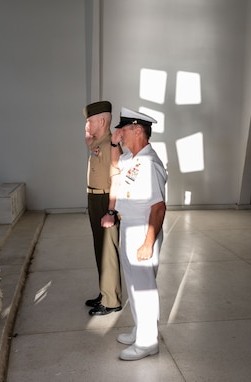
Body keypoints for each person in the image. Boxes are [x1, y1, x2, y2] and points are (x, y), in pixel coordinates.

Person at [102, 107, 167, 361]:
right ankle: (141, 328)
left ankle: (148, 341)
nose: (120, 133)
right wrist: (114, 141)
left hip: (143, 228)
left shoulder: (149, 163)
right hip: (129, 226)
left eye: (124, 128)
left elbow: (158, 207)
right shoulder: (135, 157)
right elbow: (116, 164)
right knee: (133, 284)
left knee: (144, 287)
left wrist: (148, 243)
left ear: (138, 129)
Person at [83, 101, 123, 316]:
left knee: (108, 251)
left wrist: (110, 211)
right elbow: (89, 141)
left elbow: (116, 180)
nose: (86, 125)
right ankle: (104, 292)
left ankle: (112, 300)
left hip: (105, 201)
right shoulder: (99, 142)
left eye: (89, 121)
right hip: (94, 199)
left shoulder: (111, 146)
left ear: (101, 121)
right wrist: (89, 132)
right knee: (100, 249)